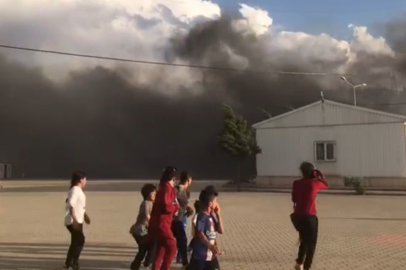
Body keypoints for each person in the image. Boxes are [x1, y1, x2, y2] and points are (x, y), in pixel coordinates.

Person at [291, 162, 328, 270]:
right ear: (313, 172)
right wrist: (320, 176)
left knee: (303, 239)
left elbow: (294, 199)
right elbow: (326, 185)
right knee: (311, 243)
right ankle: (307, 267)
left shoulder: (296, 183)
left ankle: (299, 262)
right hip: (309, 216)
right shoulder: (314, 184)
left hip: (298, 217)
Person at [148, 166, 180, 270]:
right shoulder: (167, 188)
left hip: (159, 223)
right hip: (162, 223)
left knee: (161, 249)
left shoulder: (163, 187)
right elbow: (166, 206)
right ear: (173, 178)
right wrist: (175, 207)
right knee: (172, 247)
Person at [187, 189, 222, 270]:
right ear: (210, 203)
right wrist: (210, 245)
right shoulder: (201, 216)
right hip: (200, 256)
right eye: (215, 201)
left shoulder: (212, 216)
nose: (217, 203)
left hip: (211, 256)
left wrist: (218, 215)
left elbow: (220, 231)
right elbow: (199, 232)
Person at [64, 171, 91, 270]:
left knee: (76, 241)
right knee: (80, 240)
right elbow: (71, 204)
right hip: (74, 221)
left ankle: (69, 263)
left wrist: (85, 216)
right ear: (81, 180)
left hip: (77, 220)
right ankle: (72, 263)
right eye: (85, 179)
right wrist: (74, 219)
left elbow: (79, 206)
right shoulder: (75, 190)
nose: (86, 181)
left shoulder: (77, 190)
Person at [129, 184, 157, 270]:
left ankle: (137, 266)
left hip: (142, 230)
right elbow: (147, 216)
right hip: (140, 231)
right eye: (153, 193)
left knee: (144, 249)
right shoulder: (146, 203)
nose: (155, 194)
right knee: (149, 247)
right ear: (149, 194)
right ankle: (146, 264)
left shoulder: (151, 203)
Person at [173, 171, 194, 266]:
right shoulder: (179, 189)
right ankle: (184, 261)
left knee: (180, 239)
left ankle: (181, 258)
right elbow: (180, 202)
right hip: (177, 219)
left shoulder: (182, 189)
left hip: (181, 217)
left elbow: (184, 203)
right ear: (188, 179)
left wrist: (188, 208)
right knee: (182, 240)